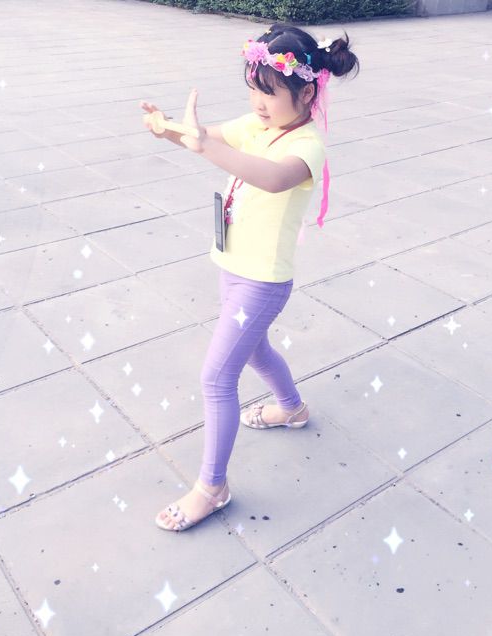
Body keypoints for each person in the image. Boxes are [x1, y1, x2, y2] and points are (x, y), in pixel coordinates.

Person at [140, 23, 359, 532]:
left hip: (262, 282)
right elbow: (206, 137)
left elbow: (271, 177)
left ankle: (211, 488)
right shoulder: (256, 125)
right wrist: (165, 126)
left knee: (217, 377)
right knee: (256, 350)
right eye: (253, 89)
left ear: (306, 93)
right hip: (234, 267)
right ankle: (292, 409)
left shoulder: (307, 145)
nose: (258, 102)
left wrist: (200, 146)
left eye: (270, 92)